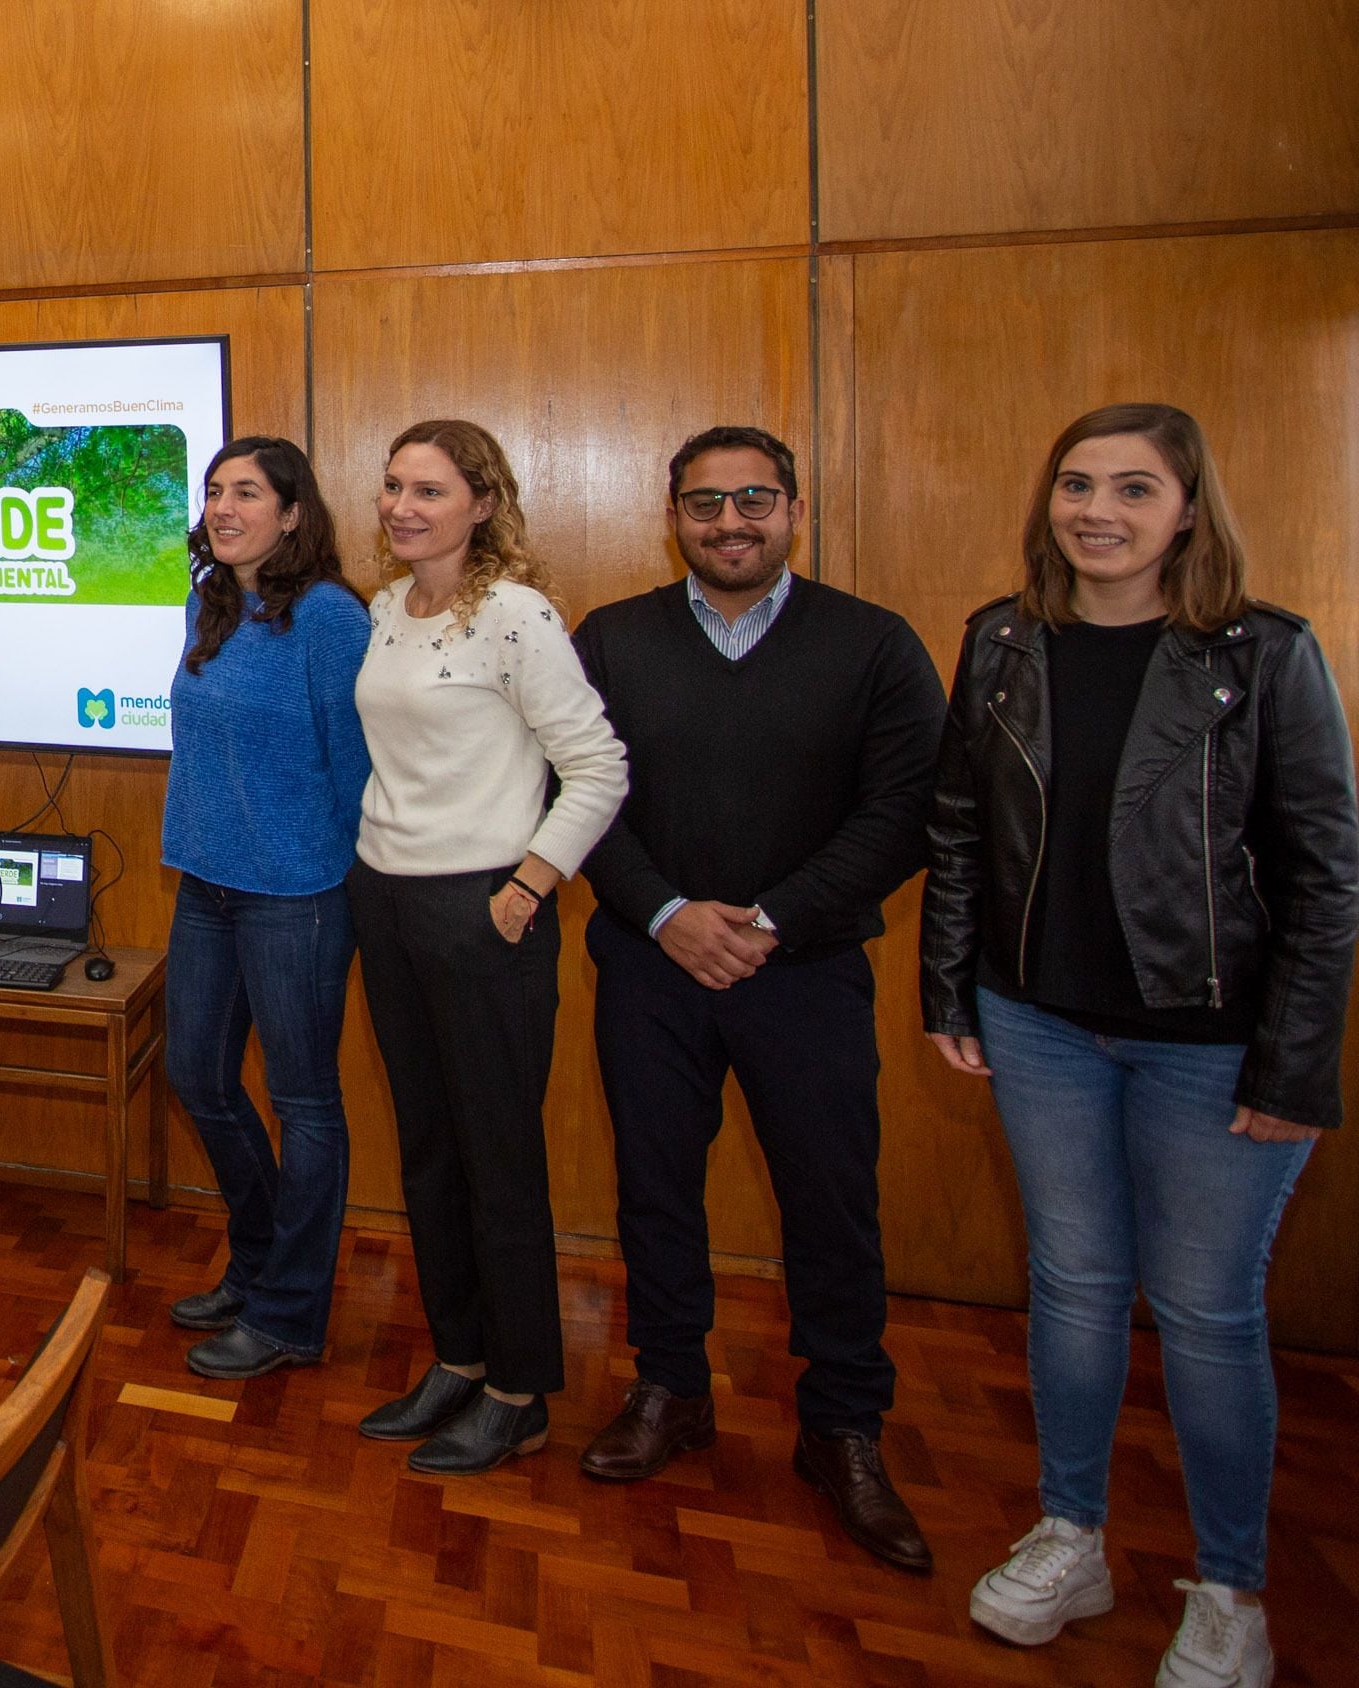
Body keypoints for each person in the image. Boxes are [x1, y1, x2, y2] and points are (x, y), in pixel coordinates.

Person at [924, 404, 1353, 1687]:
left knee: (1212, 1314)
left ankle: (1231, 1590)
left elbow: (1327, 876)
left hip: (1211, 1043)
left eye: (1133, 486)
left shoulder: (1263, 654)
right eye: (1075, 483)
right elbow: (958, 829)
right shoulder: (1000, 641)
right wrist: (951, 992)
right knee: (1072, 1285)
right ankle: (1074, 1531)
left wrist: (1294, 1067)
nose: (1097, 509)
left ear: (1185, 508)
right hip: (1039, 1021)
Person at [570, 426, 945, 1569]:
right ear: (670, 512)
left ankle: (842, 1425)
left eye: (754, 501)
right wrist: (672, 914)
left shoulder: (874, 644)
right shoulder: (612, 638)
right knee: (655, 1193)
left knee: (833, 1208)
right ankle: (671, 1387)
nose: (730, 522)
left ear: (793, 505)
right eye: (705, 503)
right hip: (649, 963)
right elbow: (581, 790)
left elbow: (905, 811)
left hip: (808, 972)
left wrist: (769, 918)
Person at [347, 418, 627, 1474]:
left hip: (484, 911)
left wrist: (529, 882)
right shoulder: (387, 608)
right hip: (388, 896)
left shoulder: (515, 616)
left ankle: (520, 1388)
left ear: (481, 503)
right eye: (391, 486)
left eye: (428, 489)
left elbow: (597, 765)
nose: (402, 506)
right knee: (428, 1150)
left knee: (497, 1158)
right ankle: (458, 1357)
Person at [156, 436, 373, 1381]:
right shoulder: (209, 604)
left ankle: (289, 1312)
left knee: (305, 1105)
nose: (224, 506)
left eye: (248, 491)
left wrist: (344, 876)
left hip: (297, 892)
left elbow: (361, 763)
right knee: (197, 1078)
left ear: (293, 513)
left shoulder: (328, 617)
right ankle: (257, 1262)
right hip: (204, 882)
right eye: (213, 491)